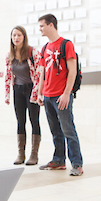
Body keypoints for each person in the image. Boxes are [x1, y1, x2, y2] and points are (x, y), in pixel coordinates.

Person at [36, 14, 83, 176]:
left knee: (68, 129)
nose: (40, 29)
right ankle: (59, 160)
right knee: (55, 131)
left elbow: (73, 71)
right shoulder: (44, 48)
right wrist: (40, 92)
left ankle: (77, 163)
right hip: (48, 96)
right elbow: (42, 71)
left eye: (42, 25)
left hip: (61, 96)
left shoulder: (66, 44)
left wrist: (66, 94)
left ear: (51, 25)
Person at [4, 26, 42, 165]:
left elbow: (39, 74)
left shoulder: (33, 52)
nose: (16, 38)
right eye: (14, 35)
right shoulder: (10, 55)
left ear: (24, 37)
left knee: (34, 120)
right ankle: (21, 154)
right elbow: (8, 76)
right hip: (18, 91)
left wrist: (36, 94)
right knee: (20, 122)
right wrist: (7, 95)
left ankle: (34, 154)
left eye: (19, 35)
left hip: (32, 89)